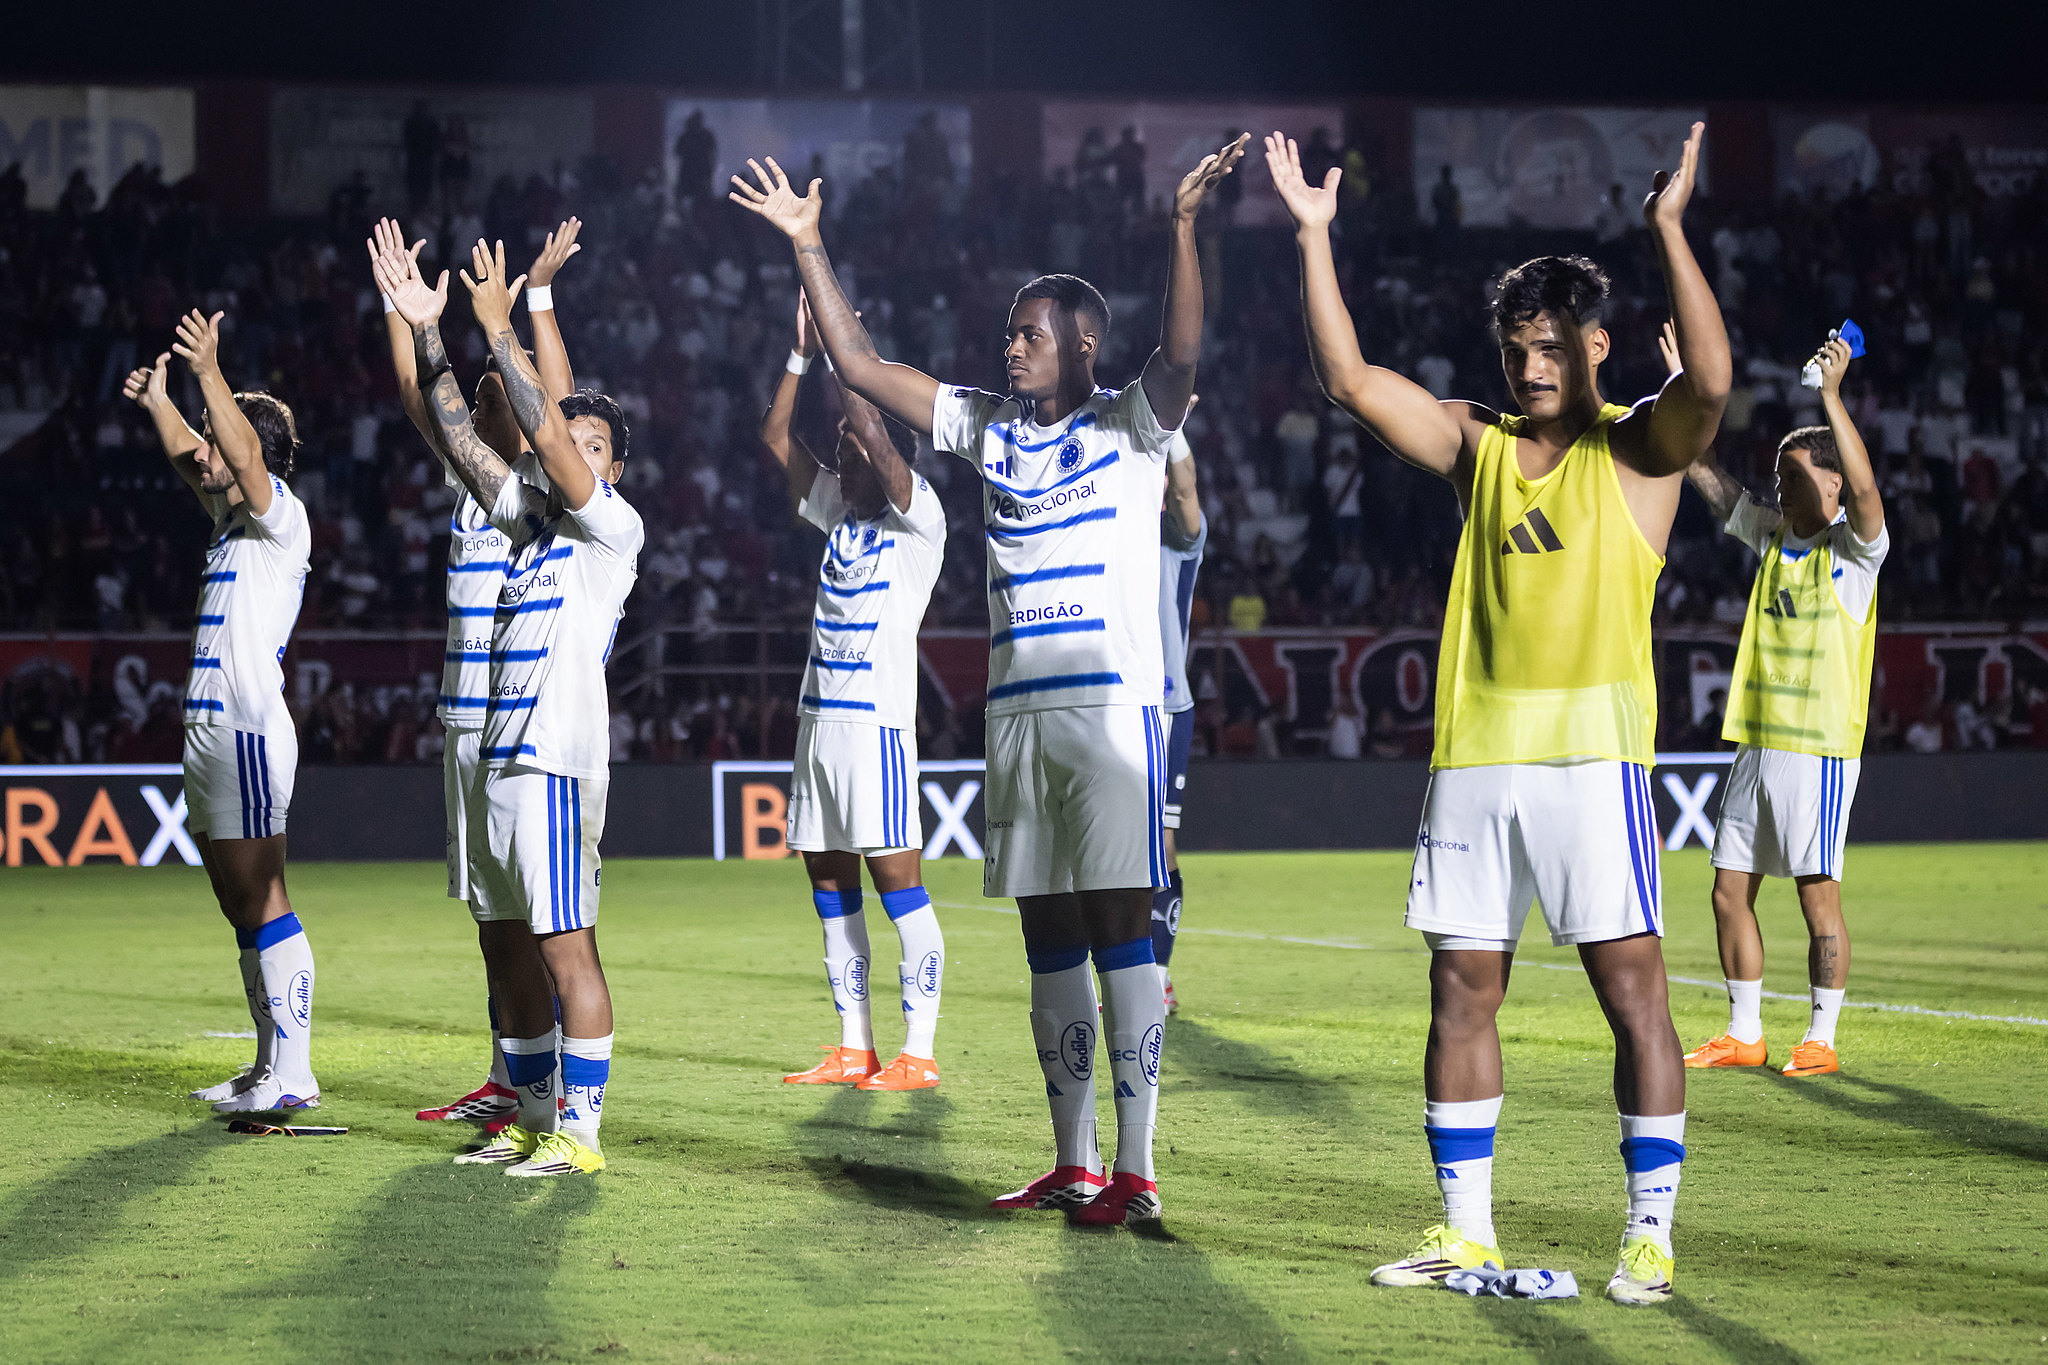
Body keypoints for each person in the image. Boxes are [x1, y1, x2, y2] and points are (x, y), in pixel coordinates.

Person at [731, 133, 1245, 1225]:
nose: (1008, 348)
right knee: (1047, 938)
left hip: (1109, 711)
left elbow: (1184, 352)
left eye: (1027, 335)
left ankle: (1138, 1172)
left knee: (1119, 931)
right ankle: (1071, 1158)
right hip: (1015, 723)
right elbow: (865, 370)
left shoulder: (1131, 425)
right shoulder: (988, 429)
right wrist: (810, 246)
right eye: (1008, 334)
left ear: (1082, 344)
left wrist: (1183, 228)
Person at [1267, 122, 1729, 1304]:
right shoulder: (1476, 444)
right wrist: (1315, 240)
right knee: (1460, 990)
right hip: (1473, 762)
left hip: (1591, 764)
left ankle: (1647, 1234)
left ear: (1594, 348)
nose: (1531, 370)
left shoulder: (1639, 453)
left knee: (1632, 993)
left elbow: (1713, 388)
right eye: (1518, 350)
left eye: (1551, 350)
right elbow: (1353, 383)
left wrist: (1667, 228)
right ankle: (1463, 1231)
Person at [375, 236, 642, 1178]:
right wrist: (429, 337)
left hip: (559, 764)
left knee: (568, 949)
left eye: (595, 446)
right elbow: (454, 431)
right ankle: (531, 1120)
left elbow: (553, 437)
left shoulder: (611, 530)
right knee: (518, 946)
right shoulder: (527, 524)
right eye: (574, 439)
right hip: (498, 758)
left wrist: (505, 321)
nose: (574, 451)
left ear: (611, 470)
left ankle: (583, 1134)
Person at [1678, 329, 1886, 1080]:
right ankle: (1744, 1032)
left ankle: (1821, 1038)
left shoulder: (1854, 555)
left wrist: (1831, 398)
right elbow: (1711, 483)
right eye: (1777, 474)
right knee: (1728, 889)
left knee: (1815, 895)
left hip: (1819, 749)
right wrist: (1682, 403)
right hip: (1757, 744)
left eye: (1792, 475)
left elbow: (1868, 496)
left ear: (1831, 486)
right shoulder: (1771, 537)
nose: (1778, 487)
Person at [124, 315, 316, 1116]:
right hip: (208, 734)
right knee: (239, 905)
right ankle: (265, 1063)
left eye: (217, 438)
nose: (204, 451)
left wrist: (210, 373)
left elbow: (230, 451)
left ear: (256, 454)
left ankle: (294, 1071)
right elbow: (193, 458)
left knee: (265, 896)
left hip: (244, 731)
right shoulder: (231, 519)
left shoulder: (280, 518)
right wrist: (161, 403)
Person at [760, 291, 949, 1092]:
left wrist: (845, 357)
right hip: (818, 727)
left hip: (875, 729)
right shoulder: (839, 513)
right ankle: (854, 1045)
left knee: (898, 883)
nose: (843, 454)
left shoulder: (920, 521)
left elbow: (872, 422)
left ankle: (922, 1050)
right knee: (829, 883)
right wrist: (802, 356)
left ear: (889, 459)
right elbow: (774, 436)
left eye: (854, 444)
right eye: (839, 444)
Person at [1154, 421, 1206, 1015]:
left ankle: (1157, 973)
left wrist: (1172, 431)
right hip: (1114, 707)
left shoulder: (1177, 538)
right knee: (1110, 852)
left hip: (1167, 709)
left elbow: (1188, 489)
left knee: (1161, 850)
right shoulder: (1107, 532)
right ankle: (1122, 969)